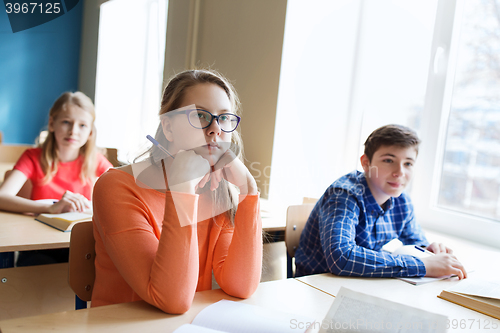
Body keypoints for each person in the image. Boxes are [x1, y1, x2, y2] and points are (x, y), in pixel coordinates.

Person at [91, 69, 262, 314]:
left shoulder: (217, 191)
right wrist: (182, 189)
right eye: (201, 115)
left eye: (224, 118)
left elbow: (241, 286)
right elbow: (171, 299)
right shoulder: (116, 187)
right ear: (168, 127)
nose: (215, 129)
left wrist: (248, 190)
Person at [295, 124, 467, 280]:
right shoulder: (343, 195)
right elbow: (342, 257)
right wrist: (423, 265)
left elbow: (415, 241)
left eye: (408, 163)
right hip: (317, 286)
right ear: (366, 163)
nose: (399, 172)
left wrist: (428, 252)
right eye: (388, 160)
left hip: (360, 285)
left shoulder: (401, 201)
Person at [0, 91, 112, 266]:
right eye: (66, 122)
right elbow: (2, 197)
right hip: (39, 246)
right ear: (52, 124)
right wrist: (50, 208)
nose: (73, 131)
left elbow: (122, 192)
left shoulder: (96, 160)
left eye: (82, 125)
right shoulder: (33, 157)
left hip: (81, 247)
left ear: (90, 132)